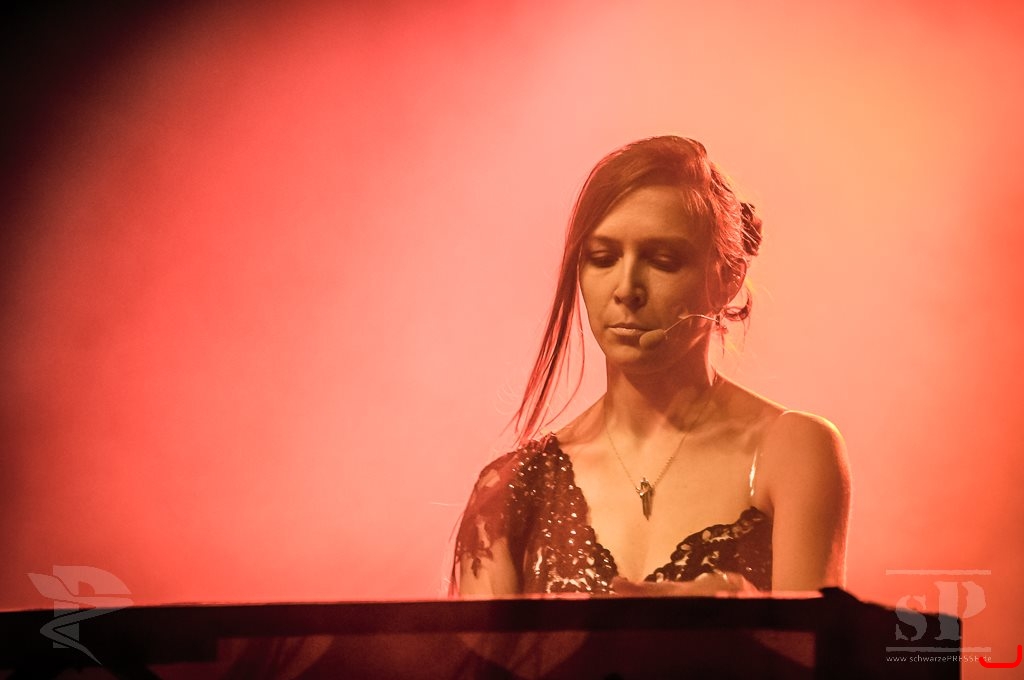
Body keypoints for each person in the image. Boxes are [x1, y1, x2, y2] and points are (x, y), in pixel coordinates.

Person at [451, 136, 850, 597]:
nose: (626, 289)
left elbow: (817, 640)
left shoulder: (793, 450)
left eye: (663, 261)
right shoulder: (510, 491)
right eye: (602, 259)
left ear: (728, 278)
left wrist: (742, 612)